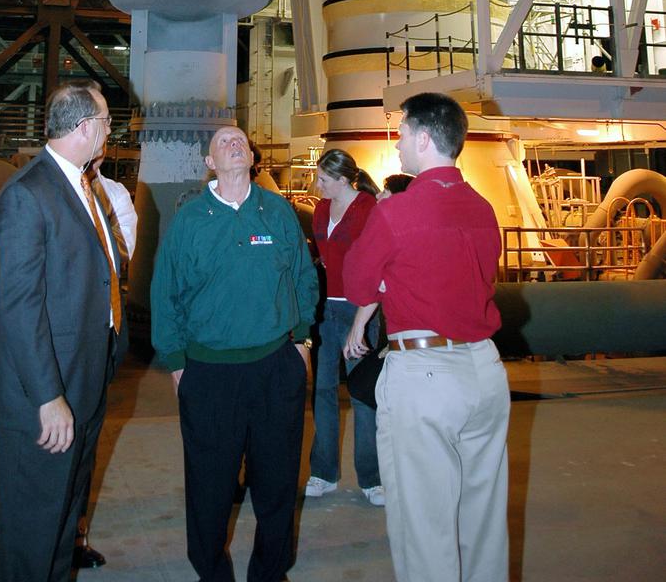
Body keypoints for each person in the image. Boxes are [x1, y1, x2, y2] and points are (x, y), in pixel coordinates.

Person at [343, 92, 510, 582]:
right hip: (485, 371)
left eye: (399, 135)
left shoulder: (396, 212)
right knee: (482, 524)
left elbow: (355, 283)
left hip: (425, 374)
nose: (396, 146)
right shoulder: (482, 208)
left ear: (422, 137)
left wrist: (384, 269)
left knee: (424, 526)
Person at [150, 124, 318, 582]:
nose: (234, 143)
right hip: (209, 374)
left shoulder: (277, 212)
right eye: (223, 141)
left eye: (240, 139)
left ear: (252, 156)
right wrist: (178, 362)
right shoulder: (190, 220)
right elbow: (165, 294)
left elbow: (304, 278)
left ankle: (270, 572)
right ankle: (212, 572)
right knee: (209, 486)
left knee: (278, 483)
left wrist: (302, 341)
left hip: (274, 368)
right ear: (210, 163)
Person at [0, 82, 125, 582]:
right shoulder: (28, 194)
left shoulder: (79, 185)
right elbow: (19, 307)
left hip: (85, 384)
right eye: (107, 122)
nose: (110, 131)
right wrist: (49, 397)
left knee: (64, 524)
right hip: (46, 401)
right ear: (86, 128)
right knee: (32, 533)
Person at [305, 148, 384, 506]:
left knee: (362, 394)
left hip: (358, 310)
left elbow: (378, 264)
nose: (316, 184)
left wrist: (363, 320)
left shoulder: (369, 210)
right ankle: (323, 473)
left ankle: (371, 478)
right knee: (321, 391)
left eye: (322, 179)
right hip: (327, 310)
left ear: (341, 180)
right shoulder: (321, 209)